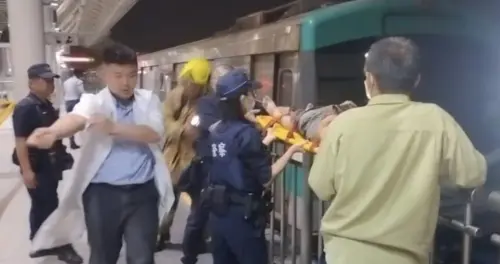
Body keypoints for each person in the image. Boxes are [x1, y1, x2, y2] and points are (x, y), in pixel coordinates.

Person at [308, 37, 487, 264]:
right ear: (416, 81)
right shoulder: (435, 119)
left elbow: (321, 186)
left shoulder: (344, 123)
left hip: (343, 255)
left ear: (370, 79)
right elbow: (473, 173)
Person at [26, 43, 175, 264]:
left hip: (142, 194)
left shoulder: (148, 100)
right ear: (104, 75)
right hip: (102, 196)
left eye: (132, 76)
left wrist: (114, 128)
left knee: (143, 257)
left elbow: (154, 133)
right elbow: (76, 118)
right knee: (103, 256)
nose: (126, 83)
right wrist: (53, 131)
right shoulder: (94, 101)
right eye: (118, 75)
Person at [204, 68, 303, 264]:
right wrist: (291, 151)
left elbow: (237, 157)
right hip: (243, 218)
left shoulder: (216, 130)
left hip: (218, 216)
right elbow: (266, 177)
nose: (253, 98)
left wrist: (266, 140)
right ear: (241, 100)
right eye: (250, 93)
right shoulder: (246, 133)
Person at [12, 63, 82, 264]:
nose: (51, 84)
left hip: (48, 165)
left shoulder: (44, 104)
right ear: (32, 83)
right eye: (46, 80)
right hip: (37, 166)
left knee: (41, 205)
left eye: (52, 80)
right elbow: (20, 141)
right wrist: (26, 170)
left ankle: (38, 244)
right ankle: (60, 245)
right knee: (51, 206)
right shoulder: (26, 107)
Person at [158, 58, 212, 253]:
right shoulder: (177, 95)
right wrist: (181, 130)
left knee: (200, 204)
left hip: (196, 160)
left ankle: (196, 240)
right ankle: (160, 236)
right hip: (173, 158)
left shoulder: (209, 101)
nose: (192, 87)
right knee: (166, 200)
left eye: (197, 84)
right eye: (190, 82)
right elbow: (164, 118)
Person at [261, 96, 357, 141]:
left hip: (331, 112)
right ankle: (279, 113)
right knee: (302, 121)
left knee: (302, 119)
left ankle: (280, 112)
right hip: (325, 117)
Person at [63, 69, 85, 149]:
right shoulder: (78, 81)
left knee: (70, 123)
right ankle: (85, 141)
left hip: (67, 102)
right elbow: (82, 92)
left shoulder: (66, 82)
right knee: (81, 122)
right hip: (75, 102)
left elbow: (65, 92)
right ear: (79, 74)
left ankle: (72, 142)